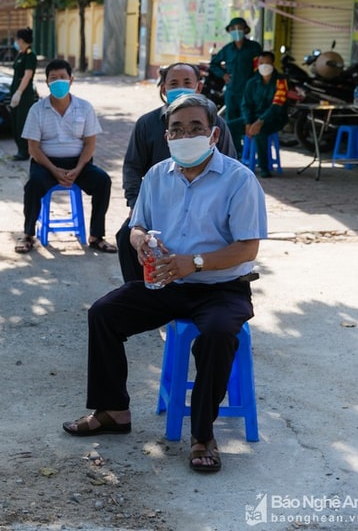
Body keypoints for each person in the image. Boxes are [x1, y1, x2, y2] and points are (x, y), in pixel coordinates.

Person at [62, 93, 267, 474]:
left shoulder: (239, 179)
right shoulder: (157, 175)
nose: (185, 134)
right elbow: (138, 225)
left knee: (219, 334)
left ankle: (203, 434)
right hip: (168, 282)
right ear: (167, 135)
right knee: (105, 313)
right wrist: (140, 241)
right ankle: (113, 411)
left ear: (214, 135)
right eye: (177, 128)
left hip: (221, 287)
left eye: (195, 128)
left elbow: (247, 247)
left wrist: (196, 263)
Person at [116, 62, 239, 283]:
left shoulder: (216, 124)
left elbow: (231, 167)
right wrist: (135, 205)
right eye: (173, 83)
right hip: (159, 205)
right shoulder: (146, 124)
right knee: (127, 235)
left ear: (198, 88)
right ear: (163, 89)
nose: (180, 87)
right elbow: (132, 167)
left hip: (205, 207)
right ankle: (139, 289)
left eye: (187, 83)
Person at [15, 59, 116, 255]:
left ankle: (97, 236)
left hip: (79, 163)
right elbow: (33, 148)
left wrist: (78, 169)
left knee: (103, 181)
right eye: (53, 78)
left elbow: (90, 144)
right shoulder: (37, 109)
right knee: (33, 184)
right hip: (45, 164)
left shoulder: (84, 107)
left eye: (63, 77)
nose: (58, 82)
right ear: (46, 82)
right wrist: (54, 170)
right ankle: (28, 235)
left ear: (71, 79)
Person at [209, 17, 262, 152]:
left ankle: (248, 151)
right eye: (233, 29)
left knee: (248, 119)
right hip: (232, 91)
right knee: (232, 121)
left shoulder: (254, 47)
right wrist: (223, 75)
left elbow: (260, 66)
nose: (236, 31)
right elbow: (214, 64)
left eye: (239, 28)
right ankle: (236, 151)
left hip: (249, 92)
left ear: (245, 29)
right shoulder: (227, 49)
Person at [242, 51, 289, 178]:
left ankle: (264, 167)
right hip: (253, 118)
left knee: (260, 132)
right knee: (229, 126)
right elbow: (246, 105)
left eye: (267, 63)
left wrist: (260, 121)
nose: (264, 66)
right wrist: (247, 122)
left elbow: (277, 105)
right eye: (261, 63)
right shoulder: (252, 83)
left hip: (274, 119)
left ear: (273, 64)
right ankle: (231, 162)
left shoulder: (281, 82)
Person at [9, 27, 38, 161]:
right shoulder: (21, 54)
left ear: (20, 40)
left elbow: (27, 75)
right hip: (16, 91)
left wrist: (19, 93)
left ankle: (24, 151)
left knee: (22, 122)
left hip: (24, 95)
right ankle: (19, 149)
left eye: (17, 39)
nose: (16, 42)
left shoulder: (30, 55)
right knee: (14, 122)